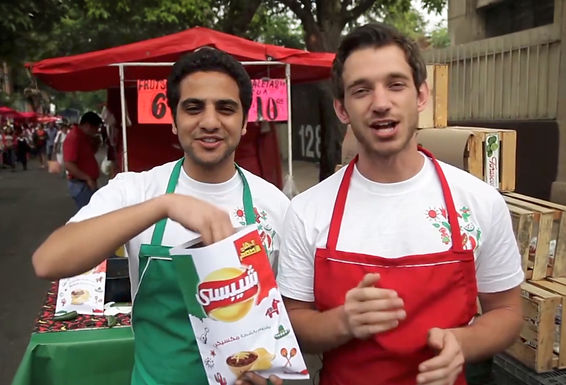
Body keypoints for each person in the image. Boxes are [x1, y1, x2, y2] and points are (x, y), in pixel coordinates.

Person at [276, 23, 524, 385]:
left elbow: (507, 311)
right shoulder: (308, 210)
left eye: (395, 85)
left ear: (421, 95)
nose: (380, 103)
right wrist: (341, 322)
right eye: (361, 90)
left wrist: (462, 341)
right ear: (342, 109)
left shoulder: (478, 202)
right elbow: (293, 320)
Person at [32, 48, 288, 385]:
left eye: (225, 108)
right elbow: (48, 261)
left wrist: (273, 372)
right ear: (173, 119)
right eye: (193, 108)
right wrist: (164, 206)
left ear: (244, 124)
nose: (210, 121)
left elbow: (285, 318)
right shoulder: (137, 190)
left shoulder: (275, 204)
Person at [62, 112, 101, 210]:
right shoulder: (74, 138)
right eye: (95, 128)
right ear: (87, 125)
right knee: (89, 214)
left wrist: (95, 144)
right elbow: (68, 164)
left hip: (85, 182)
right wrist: (87, 178)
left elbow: (88, 155)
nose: (97, 131)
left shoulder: (83, 137)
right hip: (81, 184)